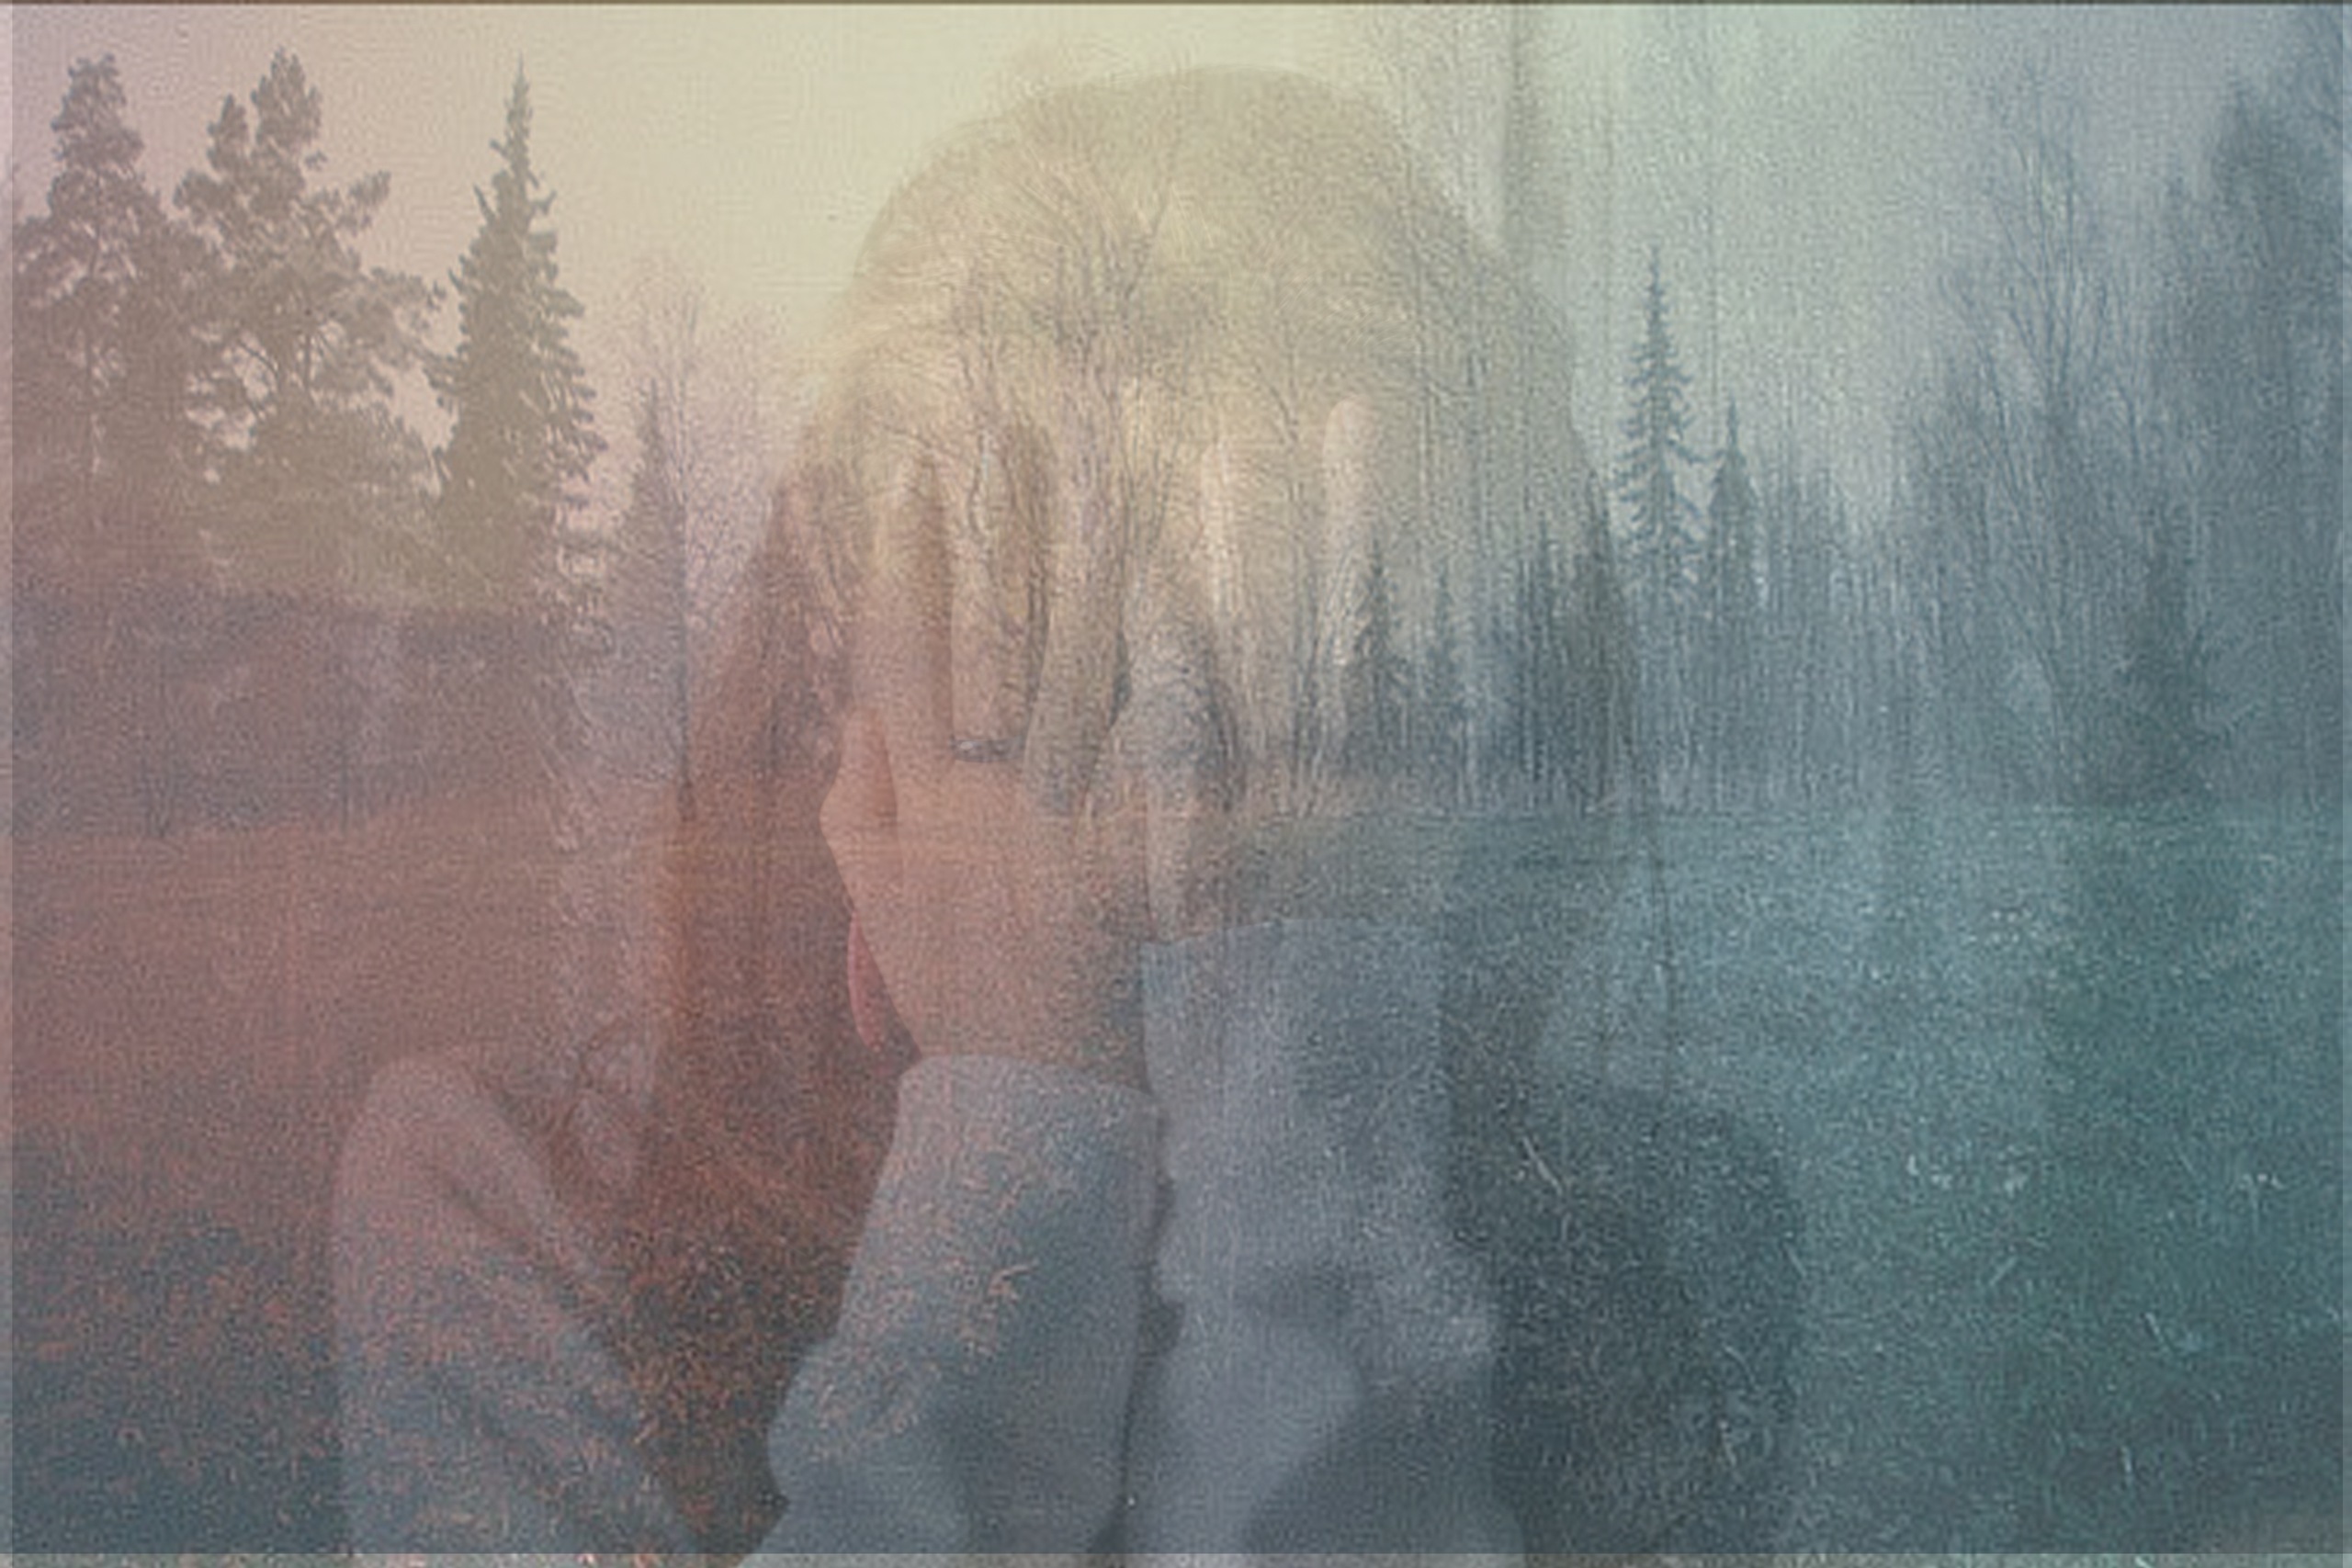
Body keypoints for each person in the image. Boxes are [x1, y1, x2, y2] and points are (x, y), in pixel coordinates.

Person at [335, 66, 1719, 1560]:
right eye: (1052, 635)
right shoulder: (517, 1188)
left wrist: (1298, 1060)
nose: (1159, 785)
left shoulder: (1642, 1243)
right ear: (852, 704)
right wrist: (1016, 1117)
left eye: (1287, 674)